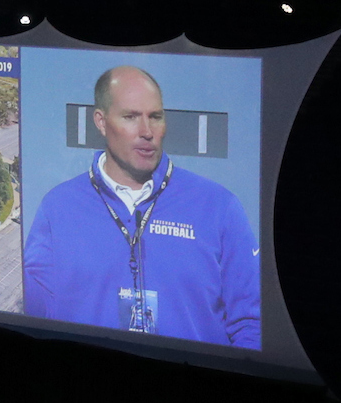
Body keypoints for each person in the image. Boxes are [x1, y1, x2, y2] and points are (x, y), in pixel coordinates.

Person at [23, 64, 263, 348]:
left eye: (156, 117)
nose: (146, 131)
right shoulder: (58, 207)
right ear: (100, 121)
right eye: (131, 117)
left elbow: (252, 324)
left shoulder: (219, 207)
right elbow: (36, 321)